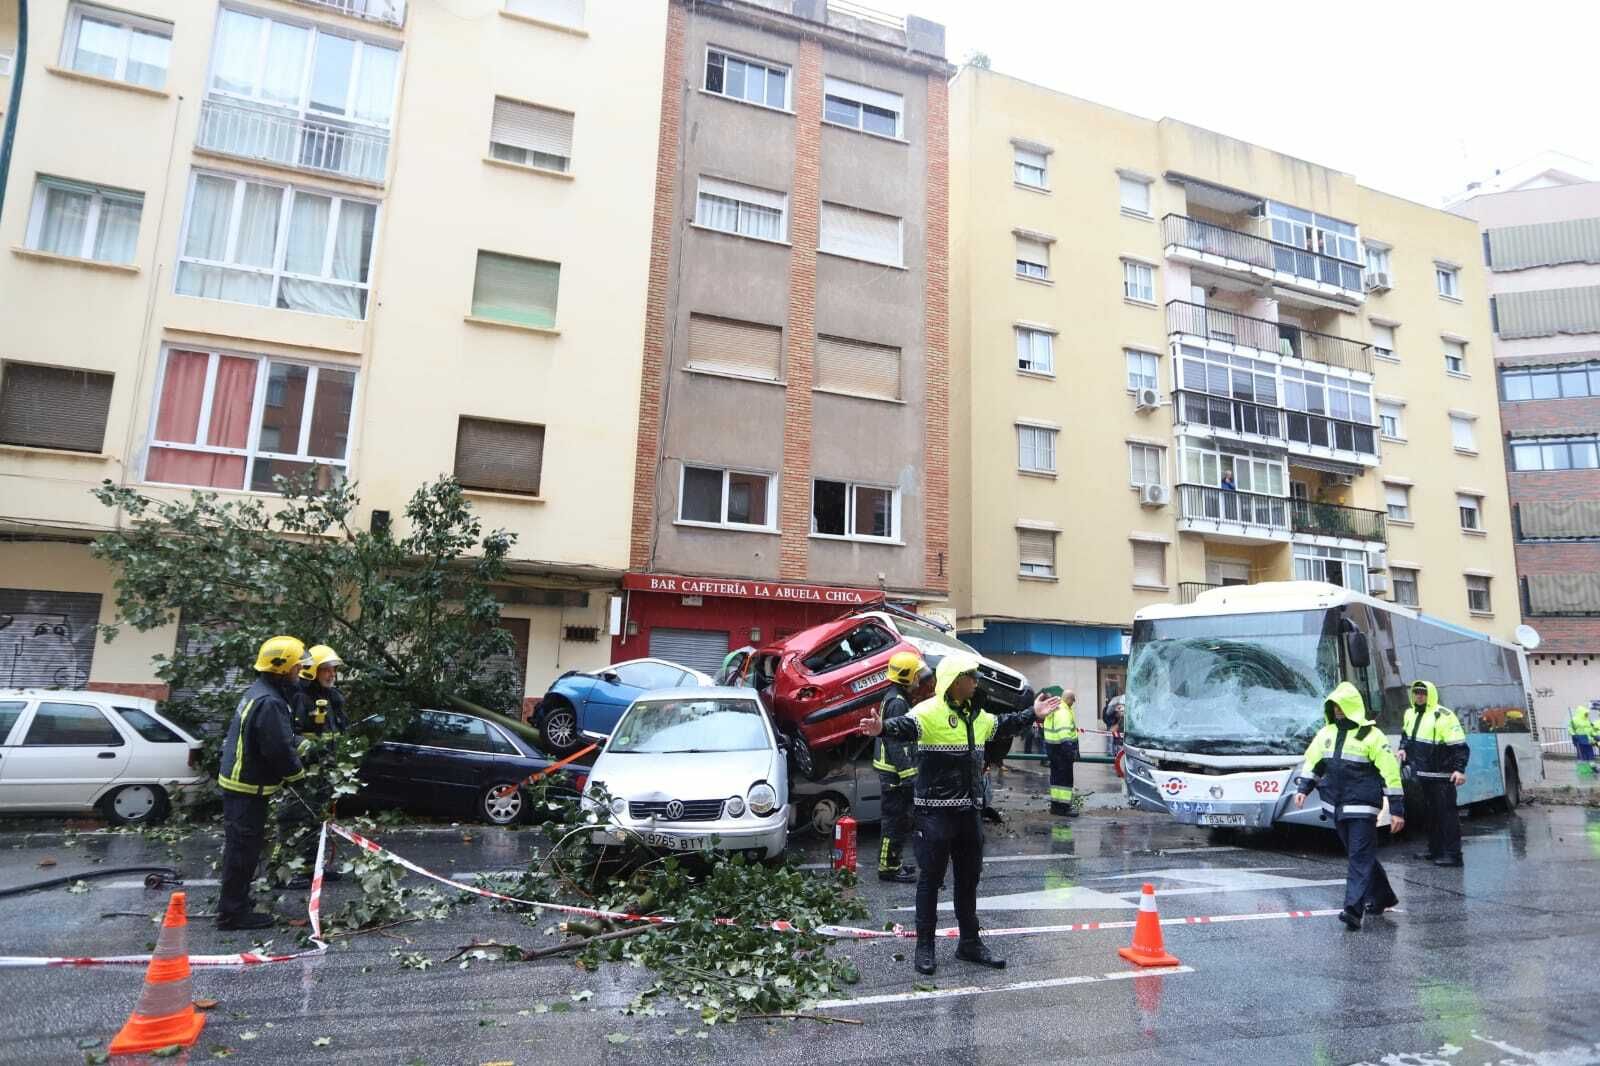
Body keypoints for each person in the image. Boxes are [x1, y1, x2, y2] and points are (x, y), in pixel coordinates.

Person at [860, 653, 1058, 975]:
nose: (976, 682)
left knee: (968, 881)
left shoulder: (977, 716)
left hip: (969, 815)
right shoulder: (928, 712)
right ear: (954, 681)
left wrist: (1031, 714)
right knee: (930, 882)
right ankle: (925, 947)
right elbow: (905, 727)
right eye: (971, 676)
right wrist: (883, 728)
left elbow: (1003, 724)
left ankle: (969, 943)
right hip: (934, 816)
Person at [1292, 682, 1404, 931]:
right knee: (1361, 856)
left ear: (1353, 707)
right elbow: (1314, 763)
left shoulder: (1372, 736)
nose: (1338, 711)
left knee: (1358, 857)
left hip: (1363, 807)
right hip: (1336, 806)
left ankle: (1353, 910)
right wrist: (1303, 790)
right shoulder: (1326, 733)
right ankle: (1384, 896)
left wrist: (1397, 809)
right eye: (1334, 707)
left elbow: (1390, 773)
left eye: (1342, 706)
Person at [217, 636, 309, 931]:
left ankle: (237, 904)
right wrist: (299, 777)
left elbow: (272, 737)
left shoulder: (260, 692)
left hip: (239, 785)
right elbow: (278, 749)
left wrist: (299, 741)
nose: (299, 673)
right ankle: (232, 914)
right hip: (246, 789)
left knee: (241, 849)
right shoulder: (271, 701)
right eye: (297, 667)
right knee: (242, 853)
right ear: (282, 669)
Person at [275, 644, 349, 890]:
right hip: (303, 772)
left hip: (324, 772)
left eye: (333, 670)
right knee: (292, 820)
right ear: (313, 671)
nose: (331, 674)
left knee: (317, 821)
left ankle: (312, 868)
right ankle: (282, 872)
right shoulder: (299, 698)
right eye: (326, 669)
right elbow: (287, 735)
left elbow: (339, 731)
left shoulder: (333, 698)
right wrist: (308, 746)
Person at [872, 651, 929, 884]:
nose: (919, 679)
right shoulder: (897, 702)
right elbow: (895, 742)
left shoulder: (896, 697)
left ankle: (893, 862)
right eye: (916, 675)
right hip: (894, 772)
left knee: (898, 821)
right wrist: (908, 774)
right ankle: (887, 868)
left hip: (892, 770)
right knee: (894, 822)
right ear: (906, 676)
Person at [1398, 680, 1468, 868]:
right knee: (1430, 814)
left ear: (1430, 695)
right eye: (1416, 693)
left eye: (1423, 693)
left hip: (1441, 775)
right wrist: (1403, 749)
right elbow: (1406, 736)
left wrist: (1459, 769)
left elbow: (1459, 746)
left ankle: (1453, 854)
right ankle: (1434, 849)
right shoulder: (1410, 713)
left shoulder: (1443, 715)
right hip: (1421, 775)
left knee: (1447, 815)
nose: (1419, 696)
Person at [1044, 689, 1081, 817]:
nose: (1074, 702)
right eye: (1073, 700)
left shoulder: (1055, 710)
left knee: (1056, 780)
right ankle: (1064, 808)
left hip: (1052, 749)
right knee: (1065, 781)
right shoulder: (1064, 712)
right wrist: (1070, 751)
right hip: (1062, 750)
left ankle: (1056, 807)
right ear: (1069, 699)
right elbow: (1065, 734)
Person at [1570, 703, 1598, 771]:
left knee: (1590, 754)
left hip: (1588, 741)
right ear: (1581, 713)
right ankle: (1583, 769)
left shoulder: (1587, 720)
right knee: (1582, 755)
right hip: (1580, 740)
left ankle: (1593, 767)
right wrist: (1573, 734)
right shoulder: (1574, 720)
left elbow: (1590, 729)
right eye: (1586, 713)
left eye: (1587, 713)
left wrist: (1595, 735)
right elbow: (1570, 728)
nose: (1587, 714)